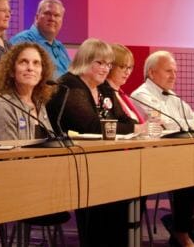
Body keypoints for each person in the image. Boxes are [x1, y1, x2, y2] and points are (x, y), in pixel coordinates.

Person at [130, 51, 194, 247]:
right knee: (187, 173)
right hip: (152, 160)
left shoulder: (172, 95)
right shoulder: (141, 95)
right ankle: (184, 228)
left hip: (176, 156)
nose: (174, 76)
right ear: (151, 73)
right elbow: (169, 124)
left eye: (175, 71)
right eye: (169, 71)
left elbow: (193, 118)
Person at [46, 38, 135, 247]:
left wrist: (123, 127)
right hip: (73, 163)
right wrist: (126, 128)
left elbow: (126, 121)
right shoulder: (69, 86)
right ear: (85, 60)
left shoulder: (104, 88)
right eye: (100, 63)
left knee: (127, 191)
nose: (105, 69)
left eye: (108, 64)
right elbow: (92, 126)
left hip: (105, 162)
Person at [0, 42, 55, 140]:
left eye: (36, 63)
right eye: (23, 62)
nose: (30, 68)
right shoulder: (2, 106)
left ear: (42, 74)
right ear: (11, 71)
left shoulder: (39, 105)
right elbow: (11, 149)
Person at [10, 0, 70, 77]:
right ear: (37, 17)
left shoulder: (60, 47)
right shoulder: (23, 41)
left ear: (62, 21)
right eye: (47, 13)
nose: (52, 18)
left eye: (57, 15)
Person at [98, 43, 146, 126]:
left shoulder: (121, 94)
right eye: (122, 67)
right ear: (110, 66)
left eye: (129, 67)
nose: (127, 72)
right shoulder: (104, 93)